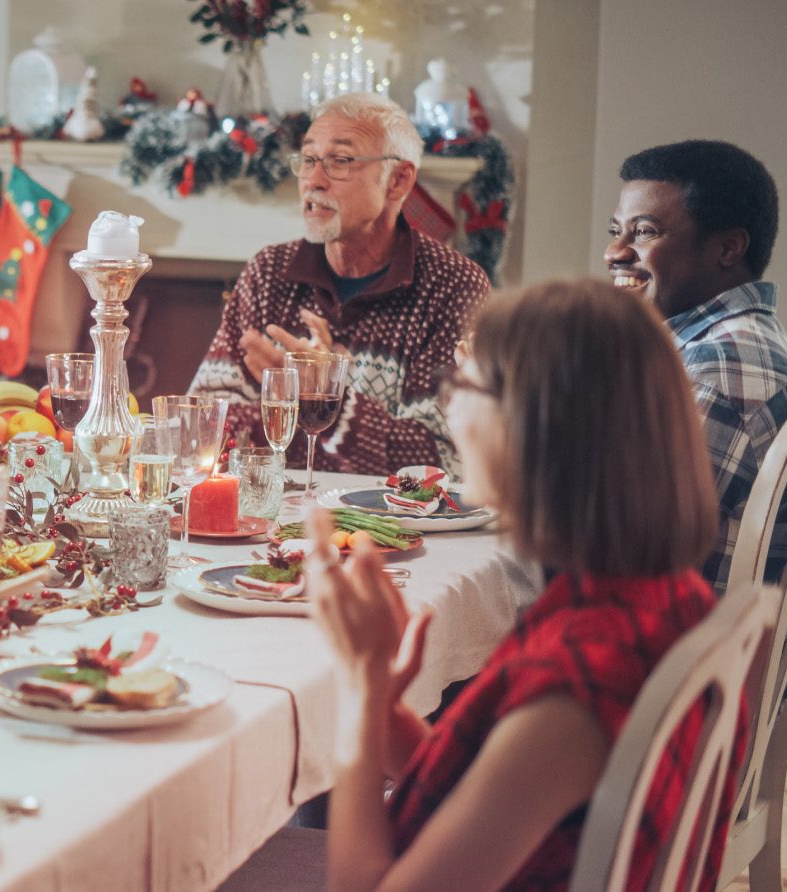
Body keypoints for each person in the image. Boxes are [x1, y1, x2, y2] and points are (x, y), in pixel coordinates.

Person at [308, 278, 730, 890]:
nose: (447, 407)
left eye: (463, 385)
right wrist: (388, 709)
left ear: (534, 429)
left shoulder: (578, 685)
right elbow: (487, 784)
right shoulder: (656, 596)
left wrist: (360, 688)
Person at [186, 92, 490, 476]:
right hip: (275, 522)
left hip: (394, 532)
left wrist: (329, 401)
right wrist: (291, 397)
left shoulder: (453, 287)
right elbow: (201, 427)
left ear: (398, 181)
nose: (313, 180)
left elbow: (448, 460)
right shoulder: (269, 272)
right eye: (310, 160)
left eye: (340, 161)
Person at [608, 140, 787, 590]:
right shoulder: (738, 341)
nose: (615, 252)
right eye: (615, 230)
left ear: (728, 248)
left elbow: (631, 553)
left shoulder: (716, 367)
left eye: (643, 232)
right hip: (714, 637)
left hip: (678, 652)